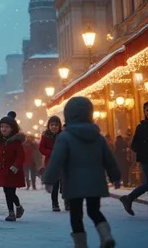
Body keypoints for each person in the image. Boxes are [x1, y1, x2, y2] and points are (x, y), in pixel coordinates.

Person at [42, 97, 120, 248]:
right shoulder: (98, 137)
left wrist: (49, 179)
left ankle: (81, 245)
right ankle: (106, 235)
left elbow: (56, 159)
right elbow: (109, 159)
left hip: (74, 182)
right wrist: (115, 177)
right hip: (95, 180)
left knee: (76, 215)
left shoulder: (65, 137)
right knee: (94, 211)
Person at [120, 100, 148, 216]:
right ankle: (131, 198)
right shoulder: (141, 127)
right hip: (147, 160)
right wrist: (146, 148)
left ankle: (130, 199)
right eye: (147, 110)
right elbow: (134, 145)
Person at [0, 111, 26, 222]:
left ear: (12, 129)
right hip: (4, 171)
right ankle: (16, 208)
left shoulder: (16, 142)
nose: (4, 129)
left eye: (6, 127)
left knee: (11, 192)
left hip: (13, 172)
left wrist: (16, 166)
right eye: (2, 126)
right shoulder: (2, 142)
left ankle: (13, 212)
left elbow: (20, 156)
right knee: (7, 192)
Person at [40, 115, 64, 211]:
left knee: (65, 184)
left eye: (56, 125)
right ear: (48, 126)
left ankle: (67, 202)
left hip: (63, 164)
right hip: (51, 164)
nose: (54, 127)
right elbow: (41, 148)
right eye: (52, 125)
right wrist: (51, 152)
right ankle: (55, 203)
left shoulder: (63, 135)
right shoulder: (45, 136)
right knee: (54, 185)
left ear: (59, 126)